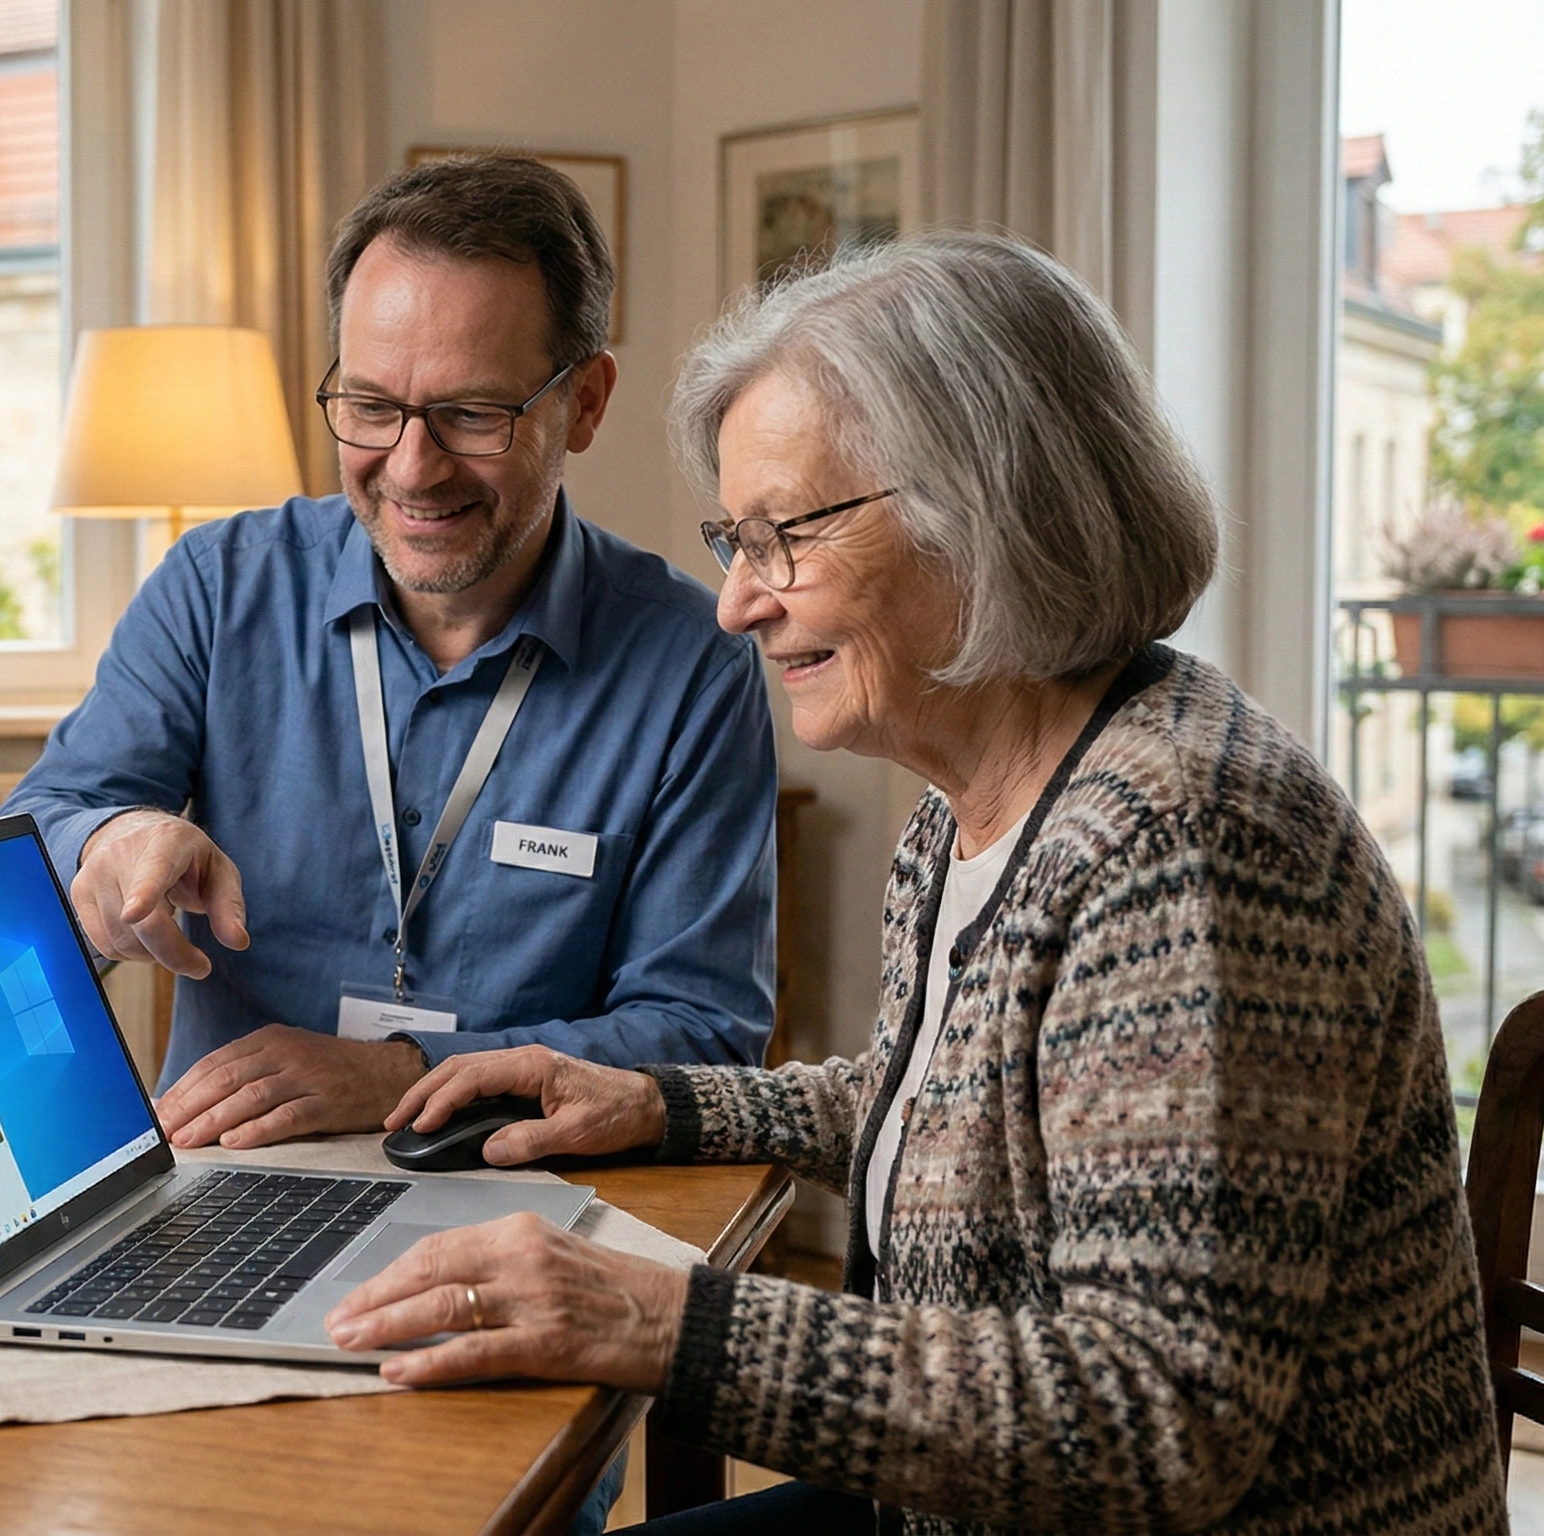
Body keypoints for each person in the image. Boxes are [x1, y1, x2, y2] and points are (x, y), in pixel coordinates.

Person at [322, 231, 1507, 1534]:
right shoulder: (975, 804)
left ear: (989, 510)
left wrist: (658, 1319)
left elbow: (1149, 1423)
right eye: (731, 538)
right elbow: (961, 1108)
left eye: (782, 538)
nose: (734, 605)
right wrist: (659, 1103)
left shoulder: (1178, 840)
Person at [0, 155, 779, 1159]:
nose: (411, 469)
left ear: (583, 402)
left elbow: (702, 1033)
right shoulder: (217, 586)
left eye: (470, 414)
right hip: (230, 1187)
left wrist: (402, 1075)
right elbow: (32, 838)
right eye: (369, 407)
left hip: (521, 1203)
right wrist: (107, 841)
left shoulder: (689, 662)